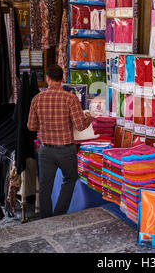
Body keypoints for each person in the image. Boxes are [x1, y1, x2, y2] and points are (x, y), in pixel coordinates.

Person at [27, 65, 94, 218]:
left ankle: (46, 218)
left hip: (46, 149)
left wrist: (43, 125)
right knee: (70, 179)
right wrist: (89, 118)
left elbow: (31, 126)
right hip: (66, 149)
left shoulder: (37, 99)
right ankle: (59, 214)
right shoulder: (70, 98)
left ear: (47, 79)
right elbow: (80, 125)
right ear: (62, 79)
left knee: (45, 186)